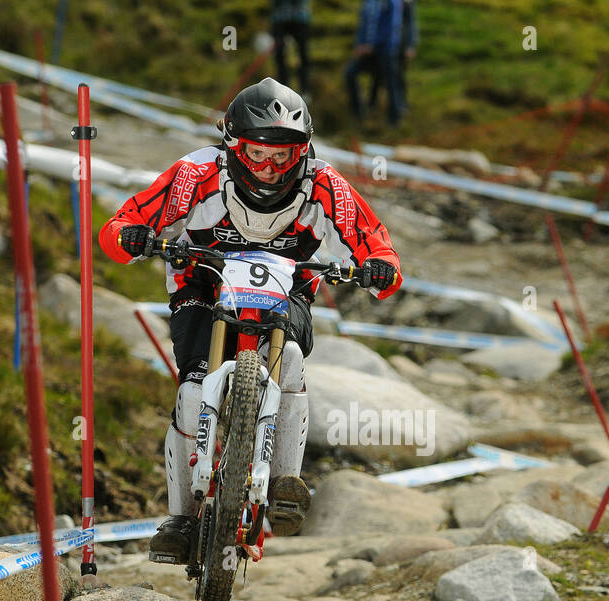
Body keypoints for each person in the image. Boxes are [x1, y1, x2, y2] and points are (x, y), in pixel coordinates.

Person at [98, 78, 402, 560]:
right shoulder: (195, 174)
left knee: (295, 360)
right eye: (256, 154)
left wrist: (378, 264)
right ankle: (180, 517)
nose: (268, 168)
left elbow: (375, 242)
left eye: (283, 156)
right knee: (193, 386)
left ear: (304, 151)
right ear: (231, 146)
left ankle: (285, 481)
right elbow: (121, 225)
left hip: (288, 289)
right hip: (202, 283)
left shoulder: (324, 184)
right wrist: (132, 236)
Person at [345, 0, 405, 126]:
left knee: (391, 83)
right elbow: (364, 23)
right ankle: (358, 113)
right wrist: (360, 44)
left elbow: (392, 26)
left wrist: (372, 45)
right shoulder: (369, 2)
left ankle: (395, 120)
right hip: (368, 50)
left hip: (386, 50)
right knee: (350, 73)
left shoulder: (392, 2)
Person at [270, 0, 312, 98]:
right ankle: (282, 91)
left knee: (303, 54)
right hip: (279, 18)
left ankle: (305, 90)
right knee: (279, 55)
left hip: (300, 17)